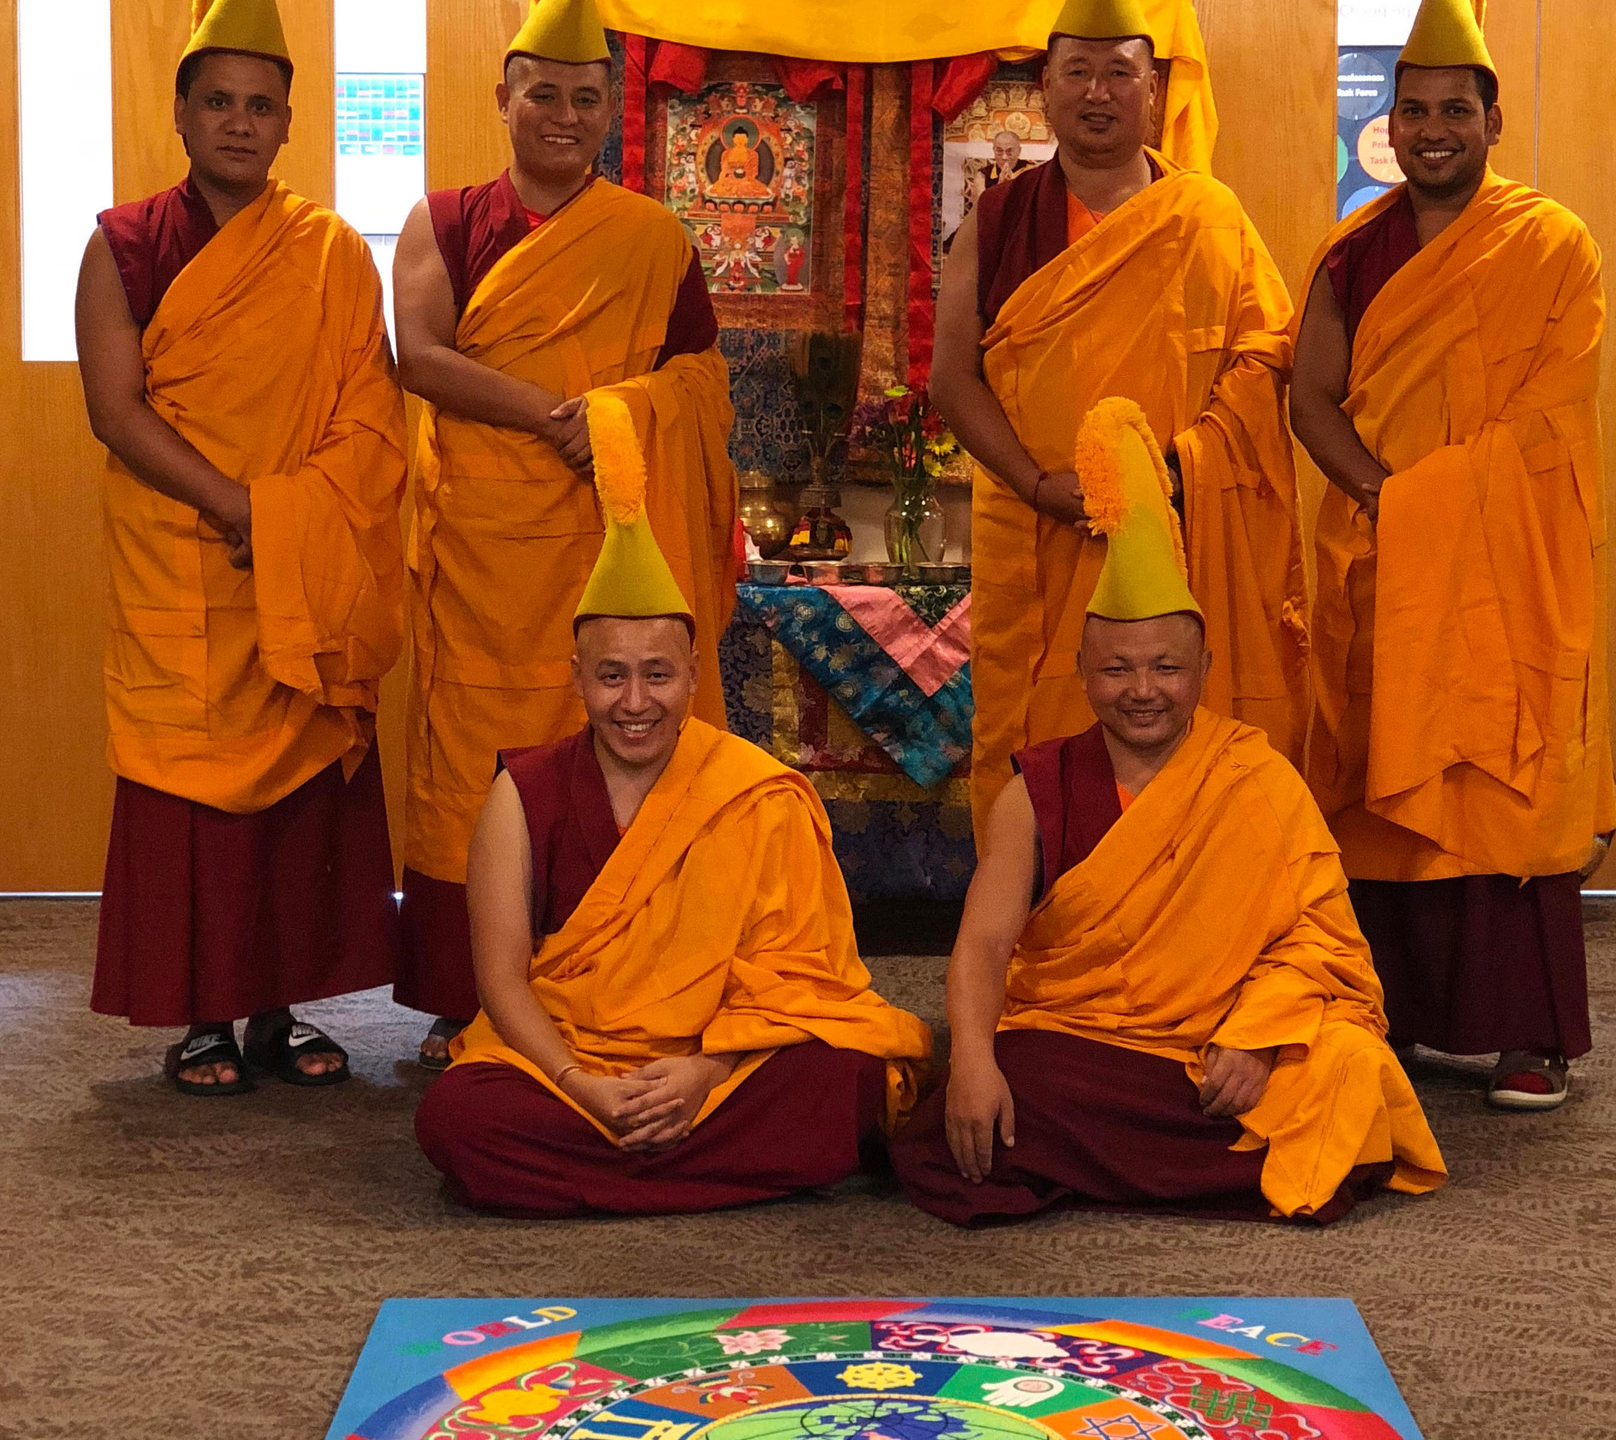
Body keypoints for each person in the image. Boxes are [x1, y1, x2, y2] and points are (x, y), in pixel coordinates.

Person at [890, 399, 1444, 1227]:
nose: (1143, 691)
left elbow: (1322, 943)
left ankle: (1094, 1162)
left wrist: (1260, 1035)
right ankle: (1204, 1167)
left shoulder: (1254, 776)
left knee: (1349, 1064)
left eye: (1166, 668)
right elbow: (983, 943)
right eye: (1118, 668)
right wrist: (970, 1058)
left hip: (1224, 1043)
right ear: (1082, 671)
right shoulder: (1035, 789)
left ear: (1204, 668)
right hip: (1088, 1042)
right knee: (1001, 1081)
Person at [414, 397, 932, 1217]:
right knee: (458, 1118)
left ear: (694, 673)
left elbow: (800, 981)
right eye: (611, 675)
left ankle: (618, 1169)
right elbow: (502, 982)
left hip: (722, 1063)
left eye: (657, 674)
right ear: (576, 677)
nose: (635, 702)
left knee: (850, 1079)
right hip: (576, 1059)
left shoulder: (755, 793)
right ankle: (714, 1167)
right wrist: (582, 1083)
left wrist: (705, 1074)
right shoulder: (524, 793)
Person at [391, 0, 737, 1067]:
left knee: (595, 752)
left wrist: (623, 414)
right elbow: (422, 356)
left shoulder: (649, 237)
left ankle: (599, 970)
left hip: (606, 545)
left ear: (610, 113)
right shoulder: (443, 219)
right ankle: (466, 988)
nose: (564, 114)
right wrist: (564, 417)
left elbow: (701, 382)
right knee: (471, 758)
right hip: (482, 542)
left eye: (587, 97)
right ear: (504, 98)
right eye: (543, 92)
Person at [75, 0, 407, 1094]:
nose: (238, 123)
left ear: (288, 123)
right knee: (187, 800)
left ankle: (282, 1005)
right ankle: (204, 1014)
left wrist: (295, 515)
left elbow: (370, 414)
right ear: (179, 113)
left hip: (292, 557)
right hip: (185, 554)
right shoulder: (121, 245)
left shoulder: (327, 251)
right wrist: (239, 508)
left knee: (300, 784)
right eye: (217, 101)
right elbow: (117, 412)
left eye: (261, 106)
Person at [1289, 0, 1614, 1111]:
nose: (1434, 130)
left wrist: (1435, 504)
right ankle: (1397, 1018)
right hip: (1382, 554)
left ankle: (1530, 1037)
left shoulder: (1554, 245)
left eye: (1455, 112)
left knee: (1501, 778)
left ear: (1494, 120)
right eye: (1415, 110)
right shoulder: (1350, 250)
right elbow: (1312, 398)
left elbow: (1551, 415)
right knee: (1379, 780)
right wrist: (1389, 500)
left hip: (1509, 564)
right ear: (1390, 122)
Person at [931, 0, 1309, 840]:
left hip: (1183, 530)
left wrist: (1172, 471)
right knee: (1045, 742)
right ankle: (1055, 938)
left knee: (1188, 740)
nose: (1097, 93)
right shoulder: (995, 224)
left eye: (1119, 73)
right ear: (1046, 87)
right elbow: (951, 380)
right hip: (1041, 536)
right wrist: (1036, 484)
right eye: (1077, 72)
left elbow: (1265, 359)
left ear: (1152, 89)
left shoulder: (1210, 217)